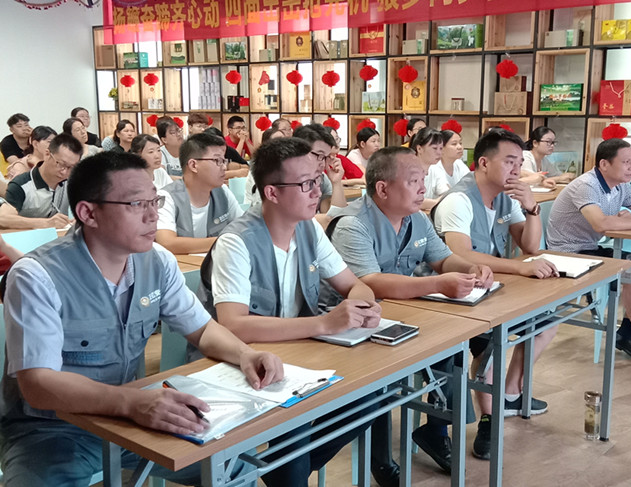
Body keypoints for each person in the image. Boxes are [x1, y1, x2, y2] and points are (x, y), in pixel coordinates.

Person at [0, 151, 283, 486]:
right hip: (52, 429)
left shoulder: (157, 261)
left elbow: (203, 329)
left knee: (234, 470)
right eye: (136, 204)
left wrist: (245, 354)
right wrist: (132, 403)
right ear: (88, 213)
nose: (153, 216)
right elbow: (38, 385)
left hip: (129, 416)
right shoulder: (37, 276)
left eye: (155, 201)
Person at [197, 137, 385, 487]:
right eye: (305, 184)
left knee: (369, 395)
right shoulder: (236, 242)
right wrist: (324, 323)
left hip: (297, 354)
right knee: (295, 422)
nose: (317, 192)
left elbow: (354, 284)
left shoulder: (309, 229)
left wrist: (364, 304)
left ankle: (278, 468)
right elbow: (233, 325)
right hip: (241, 361)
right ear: (271, 193)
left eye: (317, 180)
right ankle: (285, 469)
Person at [324, 146, 493, 480]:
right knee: (381, 377)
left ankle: (436, 430)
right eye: (414, 180)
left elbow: (442, 259)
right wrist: (438, 284)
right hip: (350, 323)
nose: (422, 188)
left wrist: (471, 267)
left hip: (400, 314)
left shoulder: (416, 218)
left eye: (423, 179)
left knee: (451, 346)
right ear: (383, 188)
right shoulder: (352, 225)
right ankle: (380, 460)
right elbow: (371, 282)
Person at [433, 128, 559, 460]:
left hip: (491, 288)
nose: (516, 170)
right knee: (491, 344)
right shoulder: (459, 200)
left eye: (519, 162)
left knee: (547, 321)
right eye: (509, 161)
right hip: (454, 295)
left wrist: (532, 208)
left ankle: (510, 394)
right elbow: (460, 255)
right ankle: (489, 417)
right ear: (484, 163)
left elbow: (530, 246)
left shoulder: (505, 196)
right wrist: (519, 268)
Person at [547, 138, 631, 363]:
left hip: (592, 248)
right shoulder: (587, 185)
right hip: (568, 253)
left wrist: (630, 218)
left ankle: (628, 332)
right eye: (625, 162)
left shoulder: (620, 185)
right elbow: (601, 224)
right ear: (604, 164)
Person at [156, 133, 242, 254]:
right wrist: (226, 241)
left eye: (224, 161)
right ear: (193, 165)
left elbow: (244, 229)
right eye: (217, 160)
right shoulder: (167, 196)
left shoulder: (222, 191)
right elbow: (167, 243)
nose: (224, 167)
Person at [0, 133, 82, 230]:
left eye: (71, 167)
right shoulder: (21, 185)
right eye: (60, 164)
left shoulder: (72, 182)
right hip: (30, 237)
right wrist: (46, 223)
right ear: (47, 154)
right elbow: (3, 219)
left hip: (62, 237)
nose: (64, 172)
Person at [293, 124, 347, 214]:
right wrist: (327, 218)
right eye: (320, 155)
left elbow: (336, 214)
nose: (323, 163)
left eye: (326, 157)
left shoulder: (321, 178)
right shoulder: (284, 180)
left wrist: (336, 182)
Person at [244, 127, 285, 205]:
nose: (282, 144)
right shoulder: (257, 168)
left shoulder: (290, 166)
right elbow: (248, 197)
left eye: (284, 140)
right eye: (277, 141)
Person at [409, 127, 444, 209]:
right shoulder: (407, 170)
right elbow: (411, 201)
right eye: (434, 148)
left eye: (441, 148)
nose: (439, 153)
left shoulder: (436, 169)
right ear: (419, 149)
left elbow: (446, 193)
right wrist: (436, 202)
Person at [431, 129, 470, 194]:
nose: (460, 147)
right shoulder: (434, 167)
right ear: (441, 148)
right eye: (454, 144)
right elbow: (445, 193)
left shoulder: (459, 164)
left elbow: (470, 185)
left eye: (460, 143)